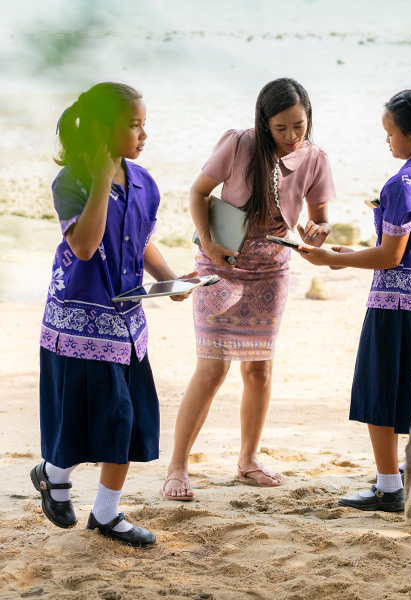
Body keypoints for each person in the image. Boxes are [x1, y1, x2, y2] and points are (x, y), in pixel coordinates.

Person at [33, 82, 196, 546]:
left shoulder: (145, 182)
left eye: (145, 123)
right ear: (104, 130)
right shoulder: (73, 182)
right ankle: (53, 473)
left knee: (126, 422)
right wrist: (103, 179)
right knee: (91, 421)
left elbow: (139, 238)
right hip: (79, 325)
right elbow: (84, 246)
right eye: (133, 125)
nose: (144, 134)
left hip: (128, 323)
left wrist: (169, 279)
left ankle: (104, 513)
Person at [161, 78, 336, 500]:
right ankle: (177, 467)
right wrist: (207, 242)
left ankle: (248, 460)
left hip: (272, 271)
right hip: (220, 263)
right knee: (212, 368)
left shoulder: (315, 159)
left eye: (300, 126)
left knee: (259, 370)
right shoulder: (238, 145)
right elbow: (199, 192)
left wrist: (317, 231)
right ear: (263, 124)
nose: (293, 136)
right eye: (282, 128)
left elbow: (320, 219)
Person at [298, 88, 411, 512]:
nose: (386, 140)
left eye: (390, 133)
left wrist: (334, 258)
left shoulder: (403, 182)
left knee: (381, 395)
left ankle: (389, 486)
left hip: (398, 308)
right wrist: (341, 257)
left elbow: (391, 256)